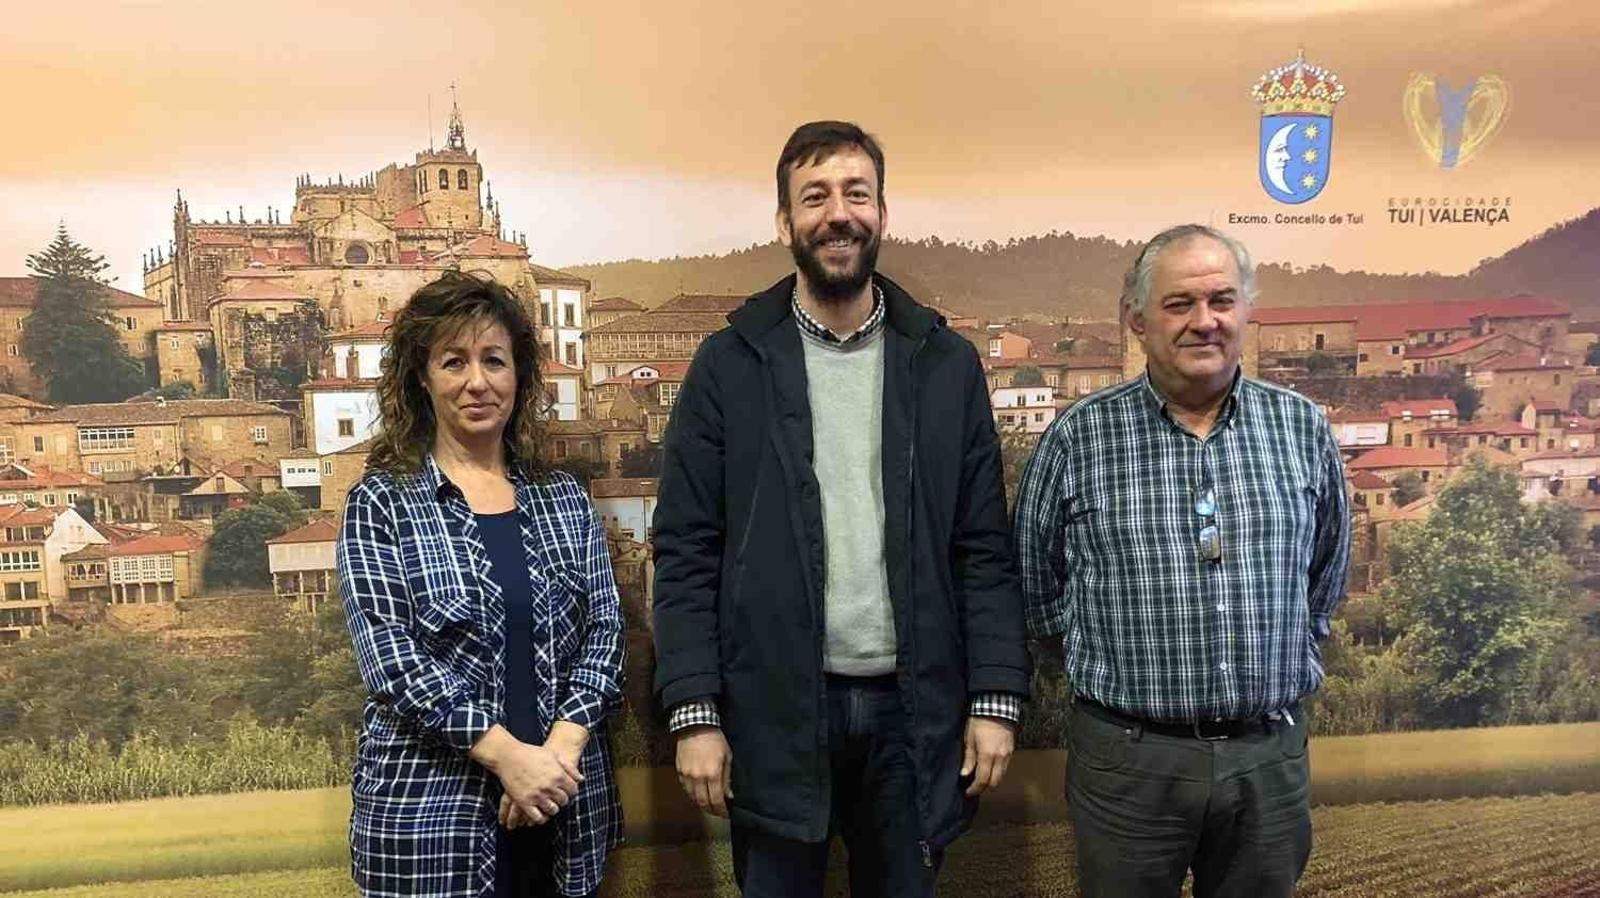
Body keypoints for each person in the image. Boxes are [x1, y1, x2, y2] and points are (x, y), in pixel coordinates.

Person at [651, 120, 1031, 898]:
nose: (838, 214)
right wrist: (694, 712)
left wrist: (995, 699)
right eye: (815, 197)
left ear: (883, 214)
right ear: (785, 222)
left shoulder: (943, 363)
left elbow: (982, 547)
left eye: (857, 194)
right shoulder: (730, 364)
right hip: (776, 715)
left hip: (914, 718)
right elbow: (687, 548)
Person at [1012, 224, 1351, 898]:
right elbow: (1035, 586)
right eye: (1179, 305)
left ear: (1247, 311)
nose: (1205, 322)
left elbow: (1325, 577)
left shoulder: (1301, 427)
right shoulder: (1079, 438)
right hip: (1129, 763)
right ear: (1136, 320)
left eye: (1222, 301)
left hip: (1268, 760)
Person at [336, 271, 624, 898]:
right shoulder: (382, 503)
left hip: (567, 814)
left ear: (519, 376)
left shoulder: (565, 500)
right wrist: (508, 758)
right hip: (431, 824)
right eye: (453, 361)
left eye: (494, 360)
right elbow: (392, 662)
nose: (477, 381)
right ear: (420, 375)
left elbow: (605, 633)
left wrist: (557, 757)